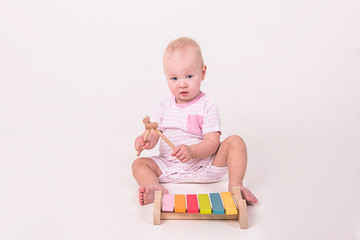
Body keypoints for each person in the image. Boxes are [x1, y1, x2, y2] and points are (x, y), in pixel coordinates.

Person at [132, 37, 258, 206]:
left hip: (205, 165)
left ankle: (236, 186)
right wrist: (145, 140)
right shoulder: (162, 107)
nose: (182, 84)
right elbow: (154, 133)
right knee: (139, 164)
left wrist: (191, 151)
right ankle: (154, 187)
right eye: (174, 78)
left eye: (189, 76)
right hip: (170, 166)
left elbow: (212, 143)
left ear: (203, 73)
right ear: (166, 77)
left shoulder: (207, 105)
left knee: (236, 141)